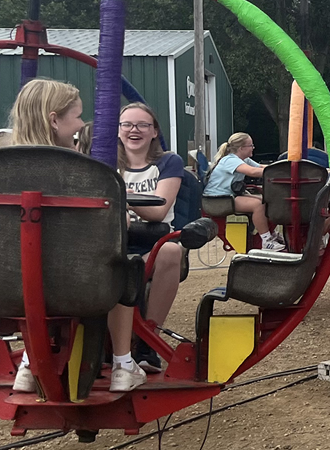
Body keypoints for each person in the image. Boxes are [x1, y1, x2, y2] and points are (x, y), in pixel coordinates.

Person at [9, 78, 146, 393]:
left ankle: (30, 362)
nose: (82, 124)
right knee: (123, 266)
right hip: (77, 285)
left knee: (37, 270)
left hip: (8, 285)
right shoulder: (78, 170)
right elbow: (107, 229)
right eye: (76, 116)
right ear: (54, 119)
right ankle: (124, 363)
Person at [117, 102, 184, 373]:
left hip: (151, 243)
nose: (134, 130)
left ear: (154, 131)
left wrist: (120, 196)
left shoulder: (168, 162)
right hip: (113, 243)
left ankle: (148, 340)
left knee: (171, 251)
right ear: (118, 130)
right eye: (127, 125)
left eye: (142, 125)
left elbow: (159, 211)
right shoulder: (105, 162)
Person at [203, 132, 285, 251]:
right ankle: (266, 241)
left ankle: (269, 235)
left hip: (226, 197)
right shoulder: (230, 160)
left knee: (265, 201)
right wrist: (278, 174)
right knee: (258, 205)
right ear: (242, 148)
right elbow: (252, 172)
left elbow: (261, 168)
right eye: (251, 145)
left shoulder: (243, 159)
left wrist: (282, 169)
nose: (253, 148)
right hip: (217, 200)